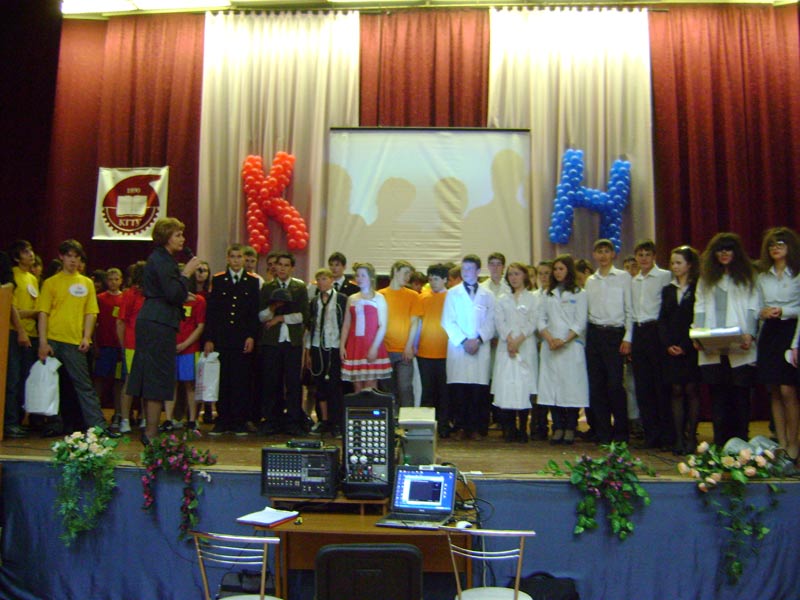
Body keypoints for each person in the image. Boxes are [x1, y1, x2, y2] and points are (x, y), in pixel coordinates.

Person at [127, 220, 201, 443]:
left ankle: (151, 431)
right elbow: (171, 292)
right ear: (166, 236)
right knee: (155, 377)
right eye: (177, 235)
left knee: (155, 376)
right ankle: (151, 432)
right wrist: (186, 273)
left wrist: (182, 295)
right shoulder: (162, 260)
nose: (182, 239)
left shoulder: (163, 259)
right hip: (157, 323)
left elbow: (168, 292)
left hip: (158, 319)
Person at [37, 239, 117, 437]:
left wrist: (86, 337)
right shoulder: (51, 283)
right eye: (69, 256)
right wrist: (43, 342)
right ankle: (54, 423)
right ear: (61, 257)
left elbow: (91, 312)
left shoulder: (86, 283)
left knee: (84, 385)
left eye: (76, 257)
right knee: (51, 384)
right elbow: (43, 313)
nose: (73, 261)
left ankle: (98, 426)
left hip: (74, 341)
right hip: (53, 338)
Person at [693, 232, 758, 446]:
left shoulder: (748, 276)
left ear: (736, 252)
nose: (724, 254)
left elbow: (753, 306)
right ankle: (721, 445)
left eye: (728, 249)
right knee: (718, 397)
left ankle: (742, 446)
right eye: (720, 250)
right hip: (713, 344)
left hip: (741, 344)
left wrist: (749, 333)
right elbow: (700, 307)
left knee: (740, 396)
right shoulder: (706, 278)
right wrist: (698, 334)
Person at [205, 243, 260, 437]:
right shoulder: (219, 280)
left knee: (240, 380)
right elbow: (212, 312)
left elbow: (253, 313)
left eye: (239, 257)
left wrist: (251, 336)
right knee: (223, 379)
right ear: (228, 259)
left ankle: (239, 420)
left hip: (241, 338)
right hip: (222, 338)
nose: (236, 260)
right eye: (233, 257)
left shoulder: (252, 282)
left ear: (244, 259)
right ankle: (222, 419)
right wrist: (209, 338)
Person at [441, 254, 496, 440]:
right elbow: (448, 321)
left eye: (470, 269)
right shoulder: (452, 293)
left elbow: (492, 321)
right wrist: (464, 341)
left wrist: (478, 340)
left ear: (478, 271)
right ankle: (460, 426)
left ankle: (477, 428)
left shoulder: (488, 295)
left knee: (478, 391)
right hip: (459, 348)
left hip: (480, 347)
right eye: (463, 269)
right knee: (459, 390)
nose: (466, 272)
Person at [757, 227, 800, 463]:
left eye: (780, 244)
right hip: (770, 332)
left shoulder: (797, 274)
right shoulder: (763, 276)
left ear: (790, 247)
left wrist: (784, 310)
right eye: (772, 245)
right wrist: (763, 312)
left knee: (787, 389)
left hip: (791, 330)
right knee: (773, 388)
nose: (775, 248)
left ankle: (794, 443)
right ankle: (782, 443)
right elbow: (757, 306)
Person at [584, 239, 633, 444]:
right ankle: (603, 431)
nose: (603, 255)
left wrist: (628, 337)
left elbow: (629, 309)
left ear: (613, 254)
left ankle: (621, 432)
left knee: (615, 385)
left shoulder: (623, 277)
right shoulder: (590, 281)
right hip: (594, 334)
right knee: (596, 386)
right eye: (599, 252)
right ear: (594, 255)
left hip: (615, 334)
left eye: (607, 251)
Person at [538, 254, 588, 445]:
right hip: (550, 346)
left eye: (561, 269)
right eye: (555, 269)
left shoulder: (579, 293)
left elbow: (580, 322)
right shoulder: (547, 294)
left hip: (571, 346)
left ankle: (570, 427)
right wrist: (550, 338)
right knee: (553, 388)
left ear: (569, 270)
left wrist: (564, 340)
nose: (558, 273)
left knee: (571, 388)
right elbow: (540, 319)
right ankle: (557, 426)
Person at [258, 251, 309, 436]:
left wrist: (281, 318)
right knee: (271, 381)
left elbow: (303, 316)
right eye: (279, 265)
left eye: (286, 265)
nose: (282, 269)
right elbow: (261, 316)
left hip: (292, 341)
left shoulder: (299, 287)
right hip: (272, 341)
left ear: (292, 268)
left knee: (293, 382)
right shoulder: (267, 287)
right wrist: (272, 308)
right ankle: (272, 420)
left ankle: (293, 420)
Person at [658, 245, 702, 455]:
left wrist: (686, 345)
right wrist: (668, 344)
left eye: (679, 263)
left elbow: (698, 317)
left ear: (689, 265)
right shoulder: (668, 289)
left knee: (691, 389)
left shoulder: (697, 288)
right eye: (672, 263)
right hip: (671, 347)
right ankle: (678, 438)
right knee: (675, 390)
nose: (675, 266)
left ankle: (691, 436)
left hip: (691, 345)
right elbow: (663, 320)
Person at [630, 239, 672, 449]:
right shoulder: (634, 280)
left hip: (656, 331)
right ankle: (650, 434)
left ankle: (666, 435)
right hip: (639, 331)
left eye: (647, 254)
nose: (644, 258)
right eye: (640, 255)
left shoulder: (664, 276)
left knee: (660, 385)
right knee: (643, 386)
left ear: (654, 256)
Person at [491, 262, 539, 443]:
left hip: (525, 346)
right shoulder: (502, 299)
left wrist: (519, 339)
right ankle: (509, 428)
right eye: (510, 274)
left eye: (517, 274)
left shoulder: (533, 298)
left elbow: (533, 321)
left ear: (524, 276)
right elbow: (499, 321)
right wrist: (510, 339)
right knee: (507, 386)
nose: (514, 277)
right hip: (506, 347)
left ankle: (523, 428)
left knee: (524, 386)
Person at [305, 267, 347, 435]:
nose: (321, 283)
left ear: (331, 280)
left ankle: (336, 421)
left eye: (324, 279)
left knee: (335, 385)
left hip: (335, 346)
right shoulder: (315, 301)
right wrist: (308, 350)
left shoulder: (341, 299)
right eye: (319, 280)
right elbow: (311, 327)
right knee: (319, 383)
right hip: (318, 345)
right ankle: (323, 419)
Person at [164, 269, 206, 432]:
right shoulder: (169, 300)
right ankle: (168, 419)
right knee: (170, 384)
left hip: (190, 348)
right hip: (170, 347)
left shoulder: (198, 301)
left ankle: (192, 419)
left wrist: (185, 344)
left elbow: (200, 326)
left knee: (190, 384)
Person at [340, 262, 392, 391]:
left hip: (371, 343)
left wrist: (374, 348)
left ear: (371, 278)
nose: (359, 278)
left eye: (363, 275)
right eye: (357, 275)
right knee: (357, 385)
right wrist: (342, 346)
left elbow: (383, 325)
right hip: (355, 345)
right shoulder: (352, 298)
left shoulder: (379, 298)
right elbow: (346, 324)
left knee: (370, 384)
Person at [4, 240, 38, 438]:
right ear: (17, 258)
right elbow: (12, 308)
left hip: (32, 333)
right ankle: (9, 422)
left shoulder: (32, 278)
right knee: (14, 379)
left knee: (26, 379)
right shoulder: (13, 276)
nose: (30, 254)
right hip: (16, 333)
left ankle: (18, 419)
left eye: (31, 250)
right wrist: (21, 330)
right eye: (25, 252)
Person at [378, 260, 422, 408]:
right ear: (395, 271)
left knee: (405, 387)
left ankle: (408, 419)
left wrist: (409, 346)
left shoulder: (413, 295)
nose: (408, 277)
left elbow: (415, 322)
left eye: (409, 274)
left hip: (404, 350)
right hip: (384, 349)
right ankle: (391, 418)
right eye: (405, 273)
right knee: (387, 389)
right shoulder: (380, 295)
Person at [417, 263, 451, 438]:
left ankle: (444, 426)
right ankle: (426, 427)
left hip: (446, 353)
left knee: (444, 393)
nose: (432, 282)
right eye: (430, 279)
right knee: (427, 392)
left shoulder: (451, 297)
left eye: (436, 279)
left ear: (445, 279)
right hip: (424, 352)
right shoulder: (422, 297)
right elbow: (417, 323)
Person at [93, 267, 125, 430]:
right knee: (99, 379)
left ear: (121, 280)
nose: (113, 282)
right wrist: (95, 344)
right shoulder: (100, 298)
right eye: (110, 279)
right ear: (106, 281)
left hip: (119, 347)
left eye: (116, 279)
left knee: (119, 381)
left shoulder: (124, 298)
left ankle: (118, 413)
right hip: (104, 345)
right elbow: (94, 322)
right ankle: (95, 413)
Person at [117, 261, 146, 433]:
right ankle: (125, 419)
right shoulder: (129, 294)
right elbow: (121, 322)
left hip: (149, 344)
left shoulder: (153, 294)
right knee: (130, 381)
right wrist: (123, 345)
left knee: (147, 382)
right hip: (132, 344)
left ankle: (145, 417)